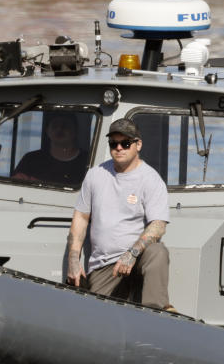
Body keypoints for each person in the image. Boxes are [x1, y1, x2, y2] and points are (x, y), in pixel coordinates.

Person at [66, 118, 172, 310]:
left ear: (138, 145)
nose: (119, 148)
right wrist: (73, 259)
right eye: (114, 143)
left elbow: (158, 225)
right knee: (96, 315)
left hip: (137, 257)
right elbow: (81, 217)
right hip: (104, 265)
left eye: (125, 143)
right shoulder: (95, 175)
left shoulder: (151, 179)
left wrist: (132, 253)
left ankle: (155, 314)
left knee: (158, 252)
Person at [12, 114, 88, 185]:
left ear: (75, 131)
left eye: (65, 126)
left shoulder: (89, 161)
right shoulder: (30, 159)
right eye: (55, 126)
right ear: (47, 131)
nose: (59, 129)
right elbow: (14, 185)